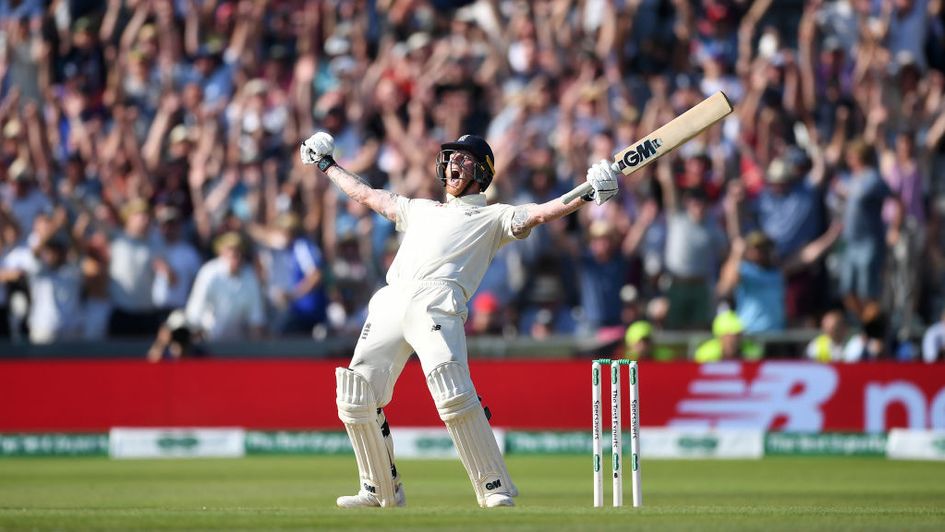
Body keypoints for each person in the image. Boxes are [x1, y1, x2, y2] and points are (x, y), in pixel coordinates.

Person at [300, 131, 618, 508]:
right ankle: (380, 490)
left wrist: (587, 192)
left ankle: (493, 486)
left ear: (482, 172)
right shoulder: (419, 209)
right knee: (355, 395)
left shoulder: (492, 217)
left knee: (452, 391)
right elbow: (369, 195)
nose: (453, 163)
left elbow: (541, 211)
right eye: (451, 157)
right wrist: (327, 165)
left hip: (438, 301)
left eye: (464, 159)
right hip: (391, 298)